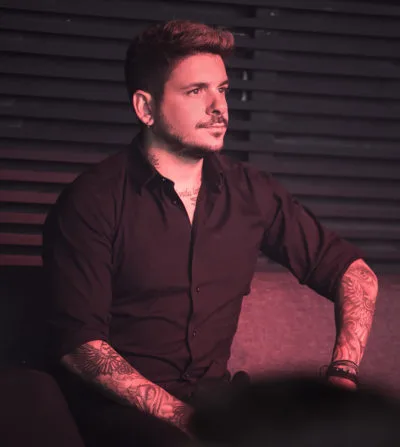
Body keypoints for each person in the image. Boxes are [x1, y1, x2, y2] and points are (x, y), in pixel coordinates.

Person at [42, 19, 379, 446]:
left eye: (222, 89)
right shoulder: (92, 199)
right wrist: (188, 421)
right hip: (120, 412)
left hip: (217, 403)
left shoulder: (251, 190)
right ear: (145, 108)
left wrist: (343, 374)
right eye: (195, 91)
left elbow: (355, 274)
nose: (219, 107)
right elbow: (82, 347)